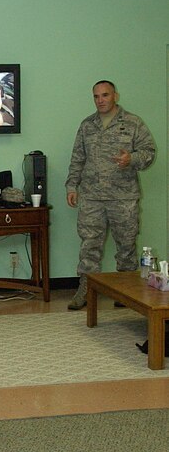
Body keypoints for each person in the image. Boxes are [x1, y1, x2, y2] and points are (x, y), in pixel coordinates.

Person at [65, 80, 156, 310]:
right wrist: (72, 186)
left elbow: (149, 152)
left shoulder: (133, 122)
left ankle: (126, 292)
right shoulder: (87, 125)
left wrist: (131, 159)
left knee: (126, 247)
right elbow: (77, 158)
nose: (100, 100)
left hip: (123, 197)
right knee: (89, 247)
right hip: (92, 197)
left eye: (105, 95)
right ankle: (86, 290)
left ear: (115, 95)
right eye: (96, 96)